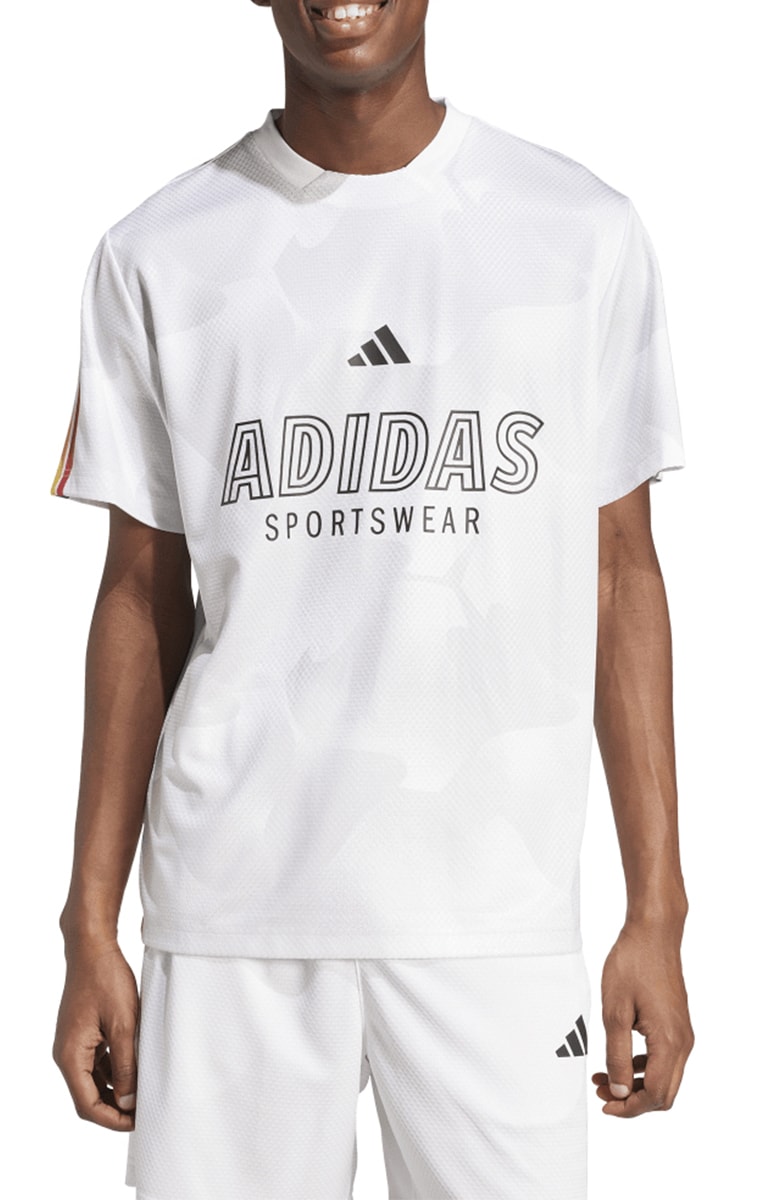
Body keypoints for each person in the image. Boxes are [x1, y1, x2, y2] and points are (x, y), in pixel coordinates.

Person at [51, 1, 694, 1197]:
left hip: (493, 918)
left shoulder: (578, 234)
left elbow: (619, 573)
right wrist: (89, 921)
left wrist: (656, 909)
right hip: (233, 914)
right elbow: (139, 593)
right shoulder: (157, 252)